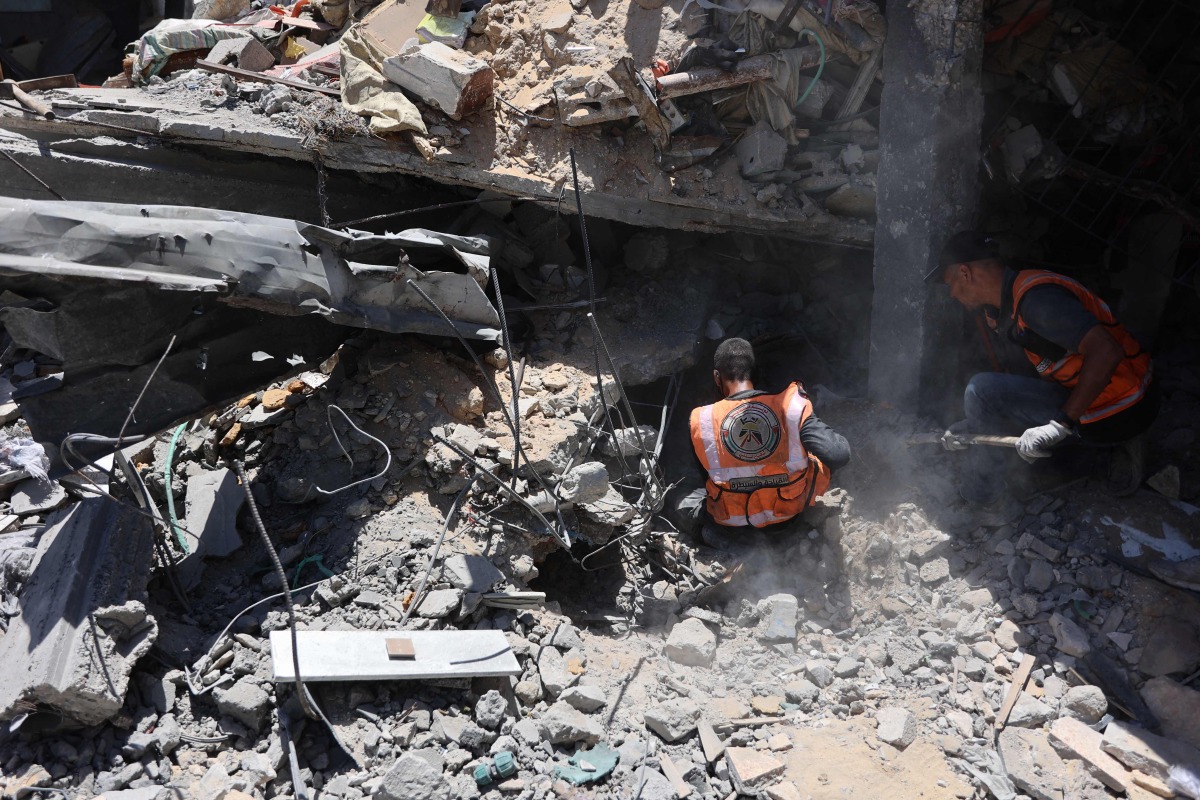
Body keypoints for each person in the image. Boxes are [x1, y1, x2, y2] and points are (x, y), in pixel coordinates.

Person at [929, 231, 1158, 520]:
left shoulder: (1037, 301)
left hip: (1124, 405)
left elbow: (1107, 352)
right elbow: (1026, 383)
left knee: (981, 391)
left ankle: (983, 503)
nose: (951, 294)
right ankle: (1098, 451)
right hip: (1097, 399)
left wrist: (1060, 424)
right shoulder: (1004, 309)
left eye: (950, 283)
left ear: (965, 272)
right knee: (994, 411)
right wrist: (977, 425)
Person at [677, 338, 850, 535]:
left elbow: (706, 477)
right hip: (788, 516)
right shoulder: (790, 407)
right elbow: (839, 454)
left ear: (717, 377)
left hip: (732, 526)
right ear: (756, 372)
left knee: (681, 494)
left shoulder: (702, 419)